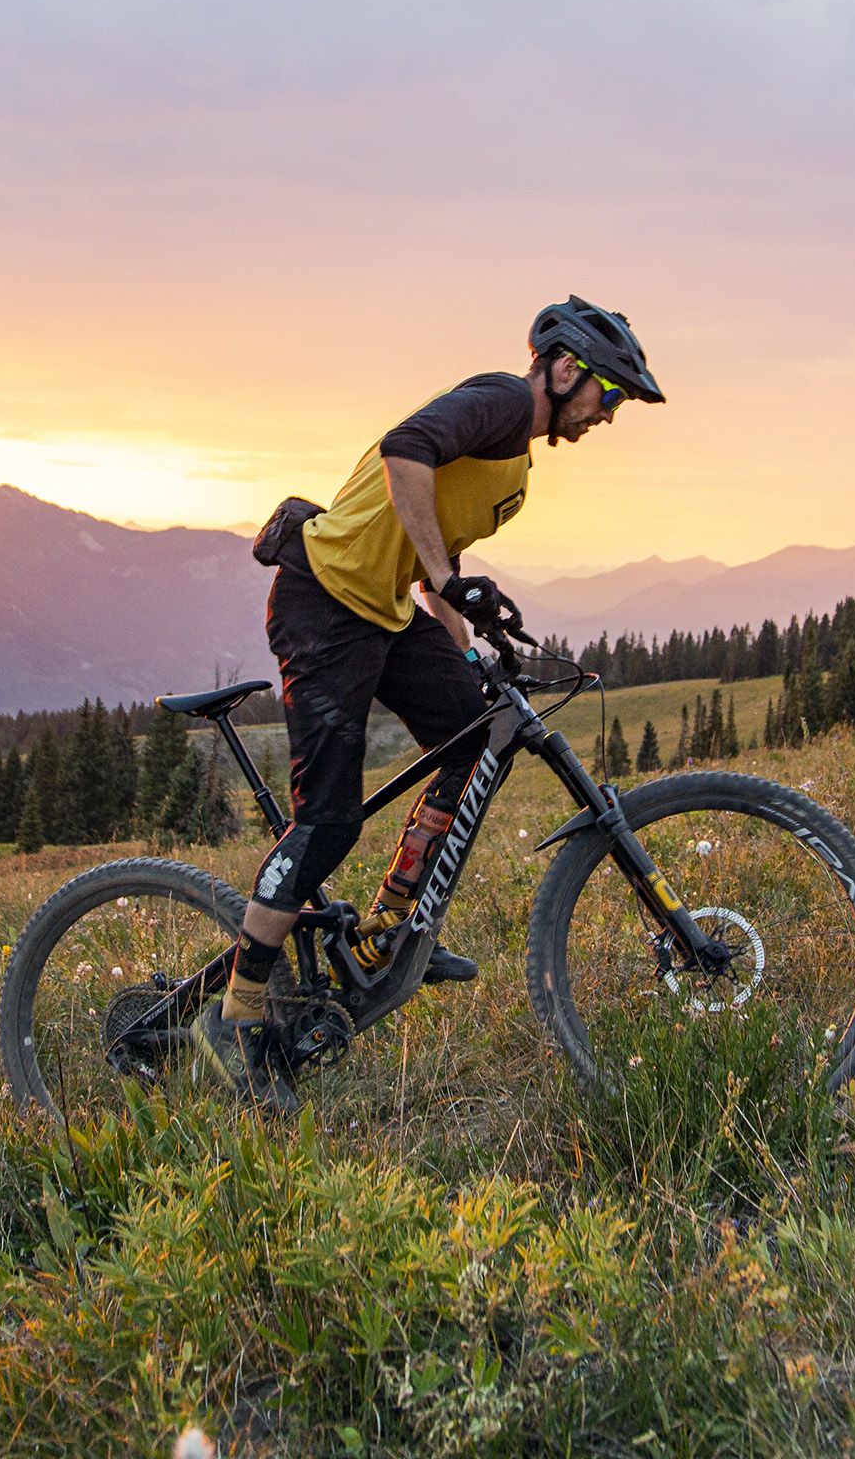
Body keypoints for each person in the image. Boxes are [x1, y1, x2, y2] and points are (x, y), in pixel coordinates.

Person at [196, 296, 665, 1110]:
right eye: (609, 394)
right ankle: (236, 1014)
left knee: (475, 733)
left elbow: (433, 554)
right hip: (324, 603)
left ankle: (388, 935)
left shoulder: (517, 460)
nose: (608, 414)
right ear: (563, 369)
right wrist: (446, 584)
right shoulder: (504, 401)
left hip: (383, 609)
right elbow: (406, 449)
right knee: (329, 820)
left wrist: (465, 638)